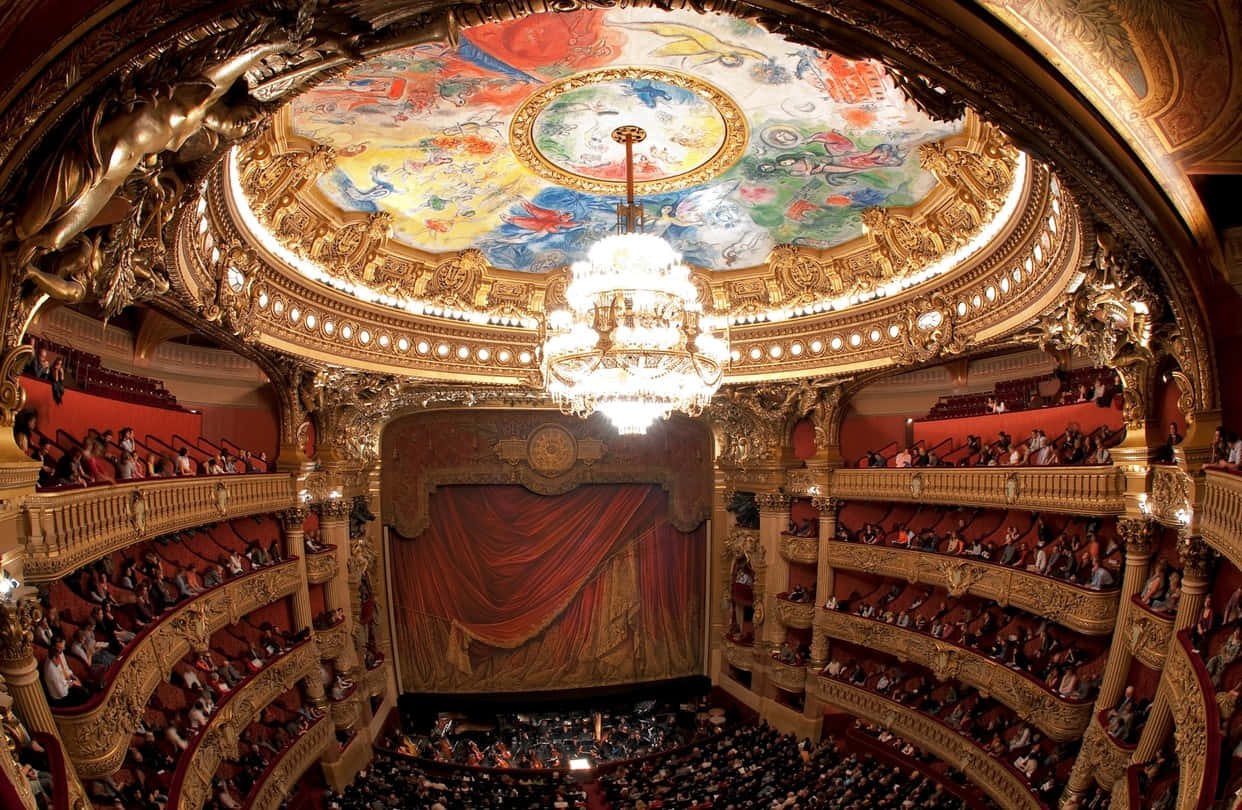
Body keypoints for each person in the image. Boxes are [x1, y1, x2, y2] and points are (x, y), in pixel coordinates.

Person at [43, 637, 90, 706]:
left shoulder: (60, 654)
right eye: (62, 648)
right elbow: (62, 692)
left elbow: (65, 668)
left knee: (88, 684)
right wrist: (72, 682)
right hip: (61, 697)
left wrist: (73, 676)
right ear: (55, 649)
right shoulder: (51, 669)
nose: (64, 649)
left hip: (67, 683)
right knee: (85, 694)